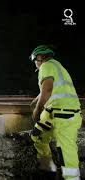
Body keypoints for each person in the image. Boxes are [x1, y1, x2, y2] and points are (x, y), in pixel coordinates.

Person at [29, 45, 82, 179]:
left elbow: (47, 90)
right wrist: (36, 101)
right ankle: (48, 169)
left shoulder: (46, 66)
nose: (35, 63)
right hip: (54, 112)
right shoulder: (57, 66)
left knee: (66, 153)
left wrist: (37, 109)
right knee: (38, 135)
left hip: (65, 115)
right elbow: (46, 90)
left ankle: (72, 177)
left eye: (35, 60)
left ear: (40, 58)